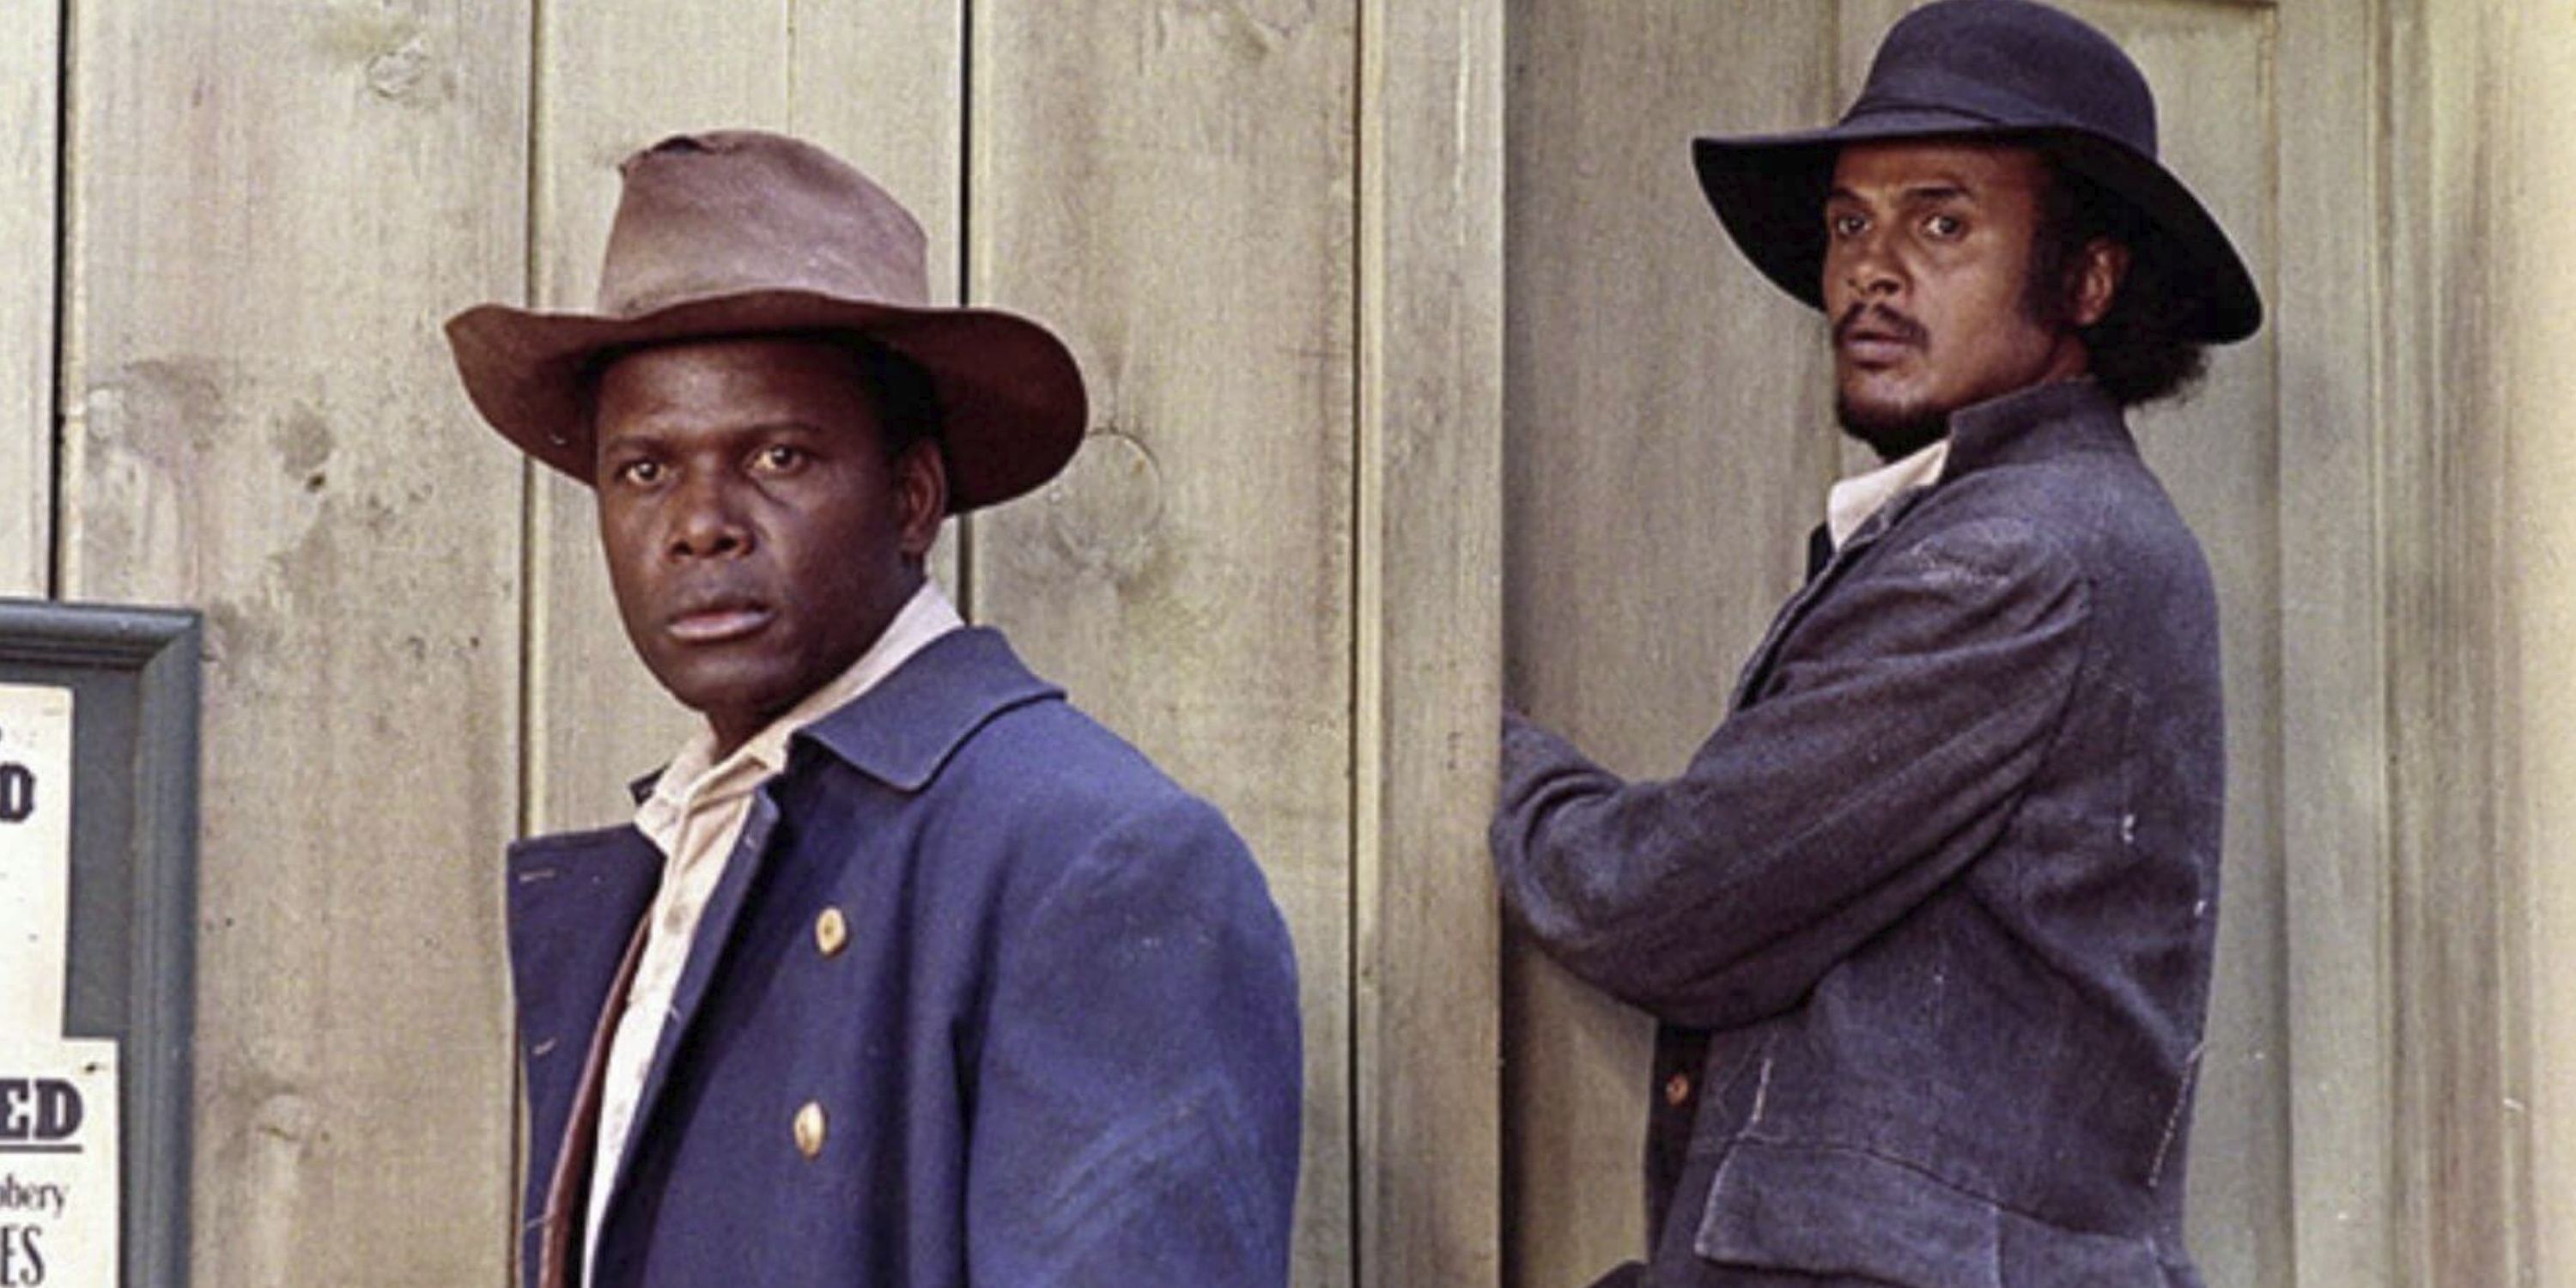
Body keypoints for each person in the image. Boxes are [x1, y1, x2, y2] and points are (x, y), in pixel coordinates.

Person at [444, 130, 1301, 1288]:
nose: (702, 523)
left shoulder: (1094, 855)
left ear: (911, 499)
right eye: (644, 470)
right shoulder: (688, 853)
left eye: (780, 457)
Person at [1489, 3, 2259, 1285]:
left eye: (1942, 222)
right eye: (1852, 222)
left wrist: (1470, 750)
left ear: (2088, 280)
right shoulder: (2015, 527)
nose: (1869, 271)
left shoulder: (2021, 551)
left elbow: (1665, 901)